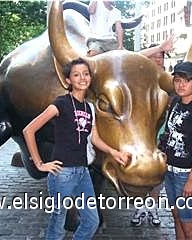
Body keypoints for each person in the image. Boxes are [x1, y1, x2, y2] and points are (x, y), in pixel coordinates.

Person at [23, 58, 130, 239]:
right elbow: (29, 130)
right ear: (68, 80)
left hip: (83, 172)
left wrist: (114, 152)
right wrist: (39, 163)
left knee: (91, 221)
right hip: (62, 172)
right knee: (58, 222)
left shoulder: (89, 107)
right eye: (76, 75)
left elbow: (93, 137)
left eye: (86, 74)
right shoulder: (61, 103)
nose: (82, 78)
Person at [161, 61, 192, 239]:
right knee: (177, 217)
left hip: (186, 174)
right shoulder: (175, 102)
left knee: (189, 224)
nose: (181, 85)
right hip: (169, 171)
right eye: (177, 80)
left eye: (187, 81)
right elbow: (169, 133)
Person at [130, 36, 175, 227]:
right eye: (154, 55)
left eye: (161, 56)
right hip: (140, 135)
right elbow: (131, 57)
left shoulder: (172, 80)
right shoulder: (137, 77)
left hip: (163, 135)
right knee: (141, 173)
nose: (158, 59)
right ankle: (140, 209)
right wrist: (159, 46)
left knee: (157, 176)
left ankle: (153, 208)